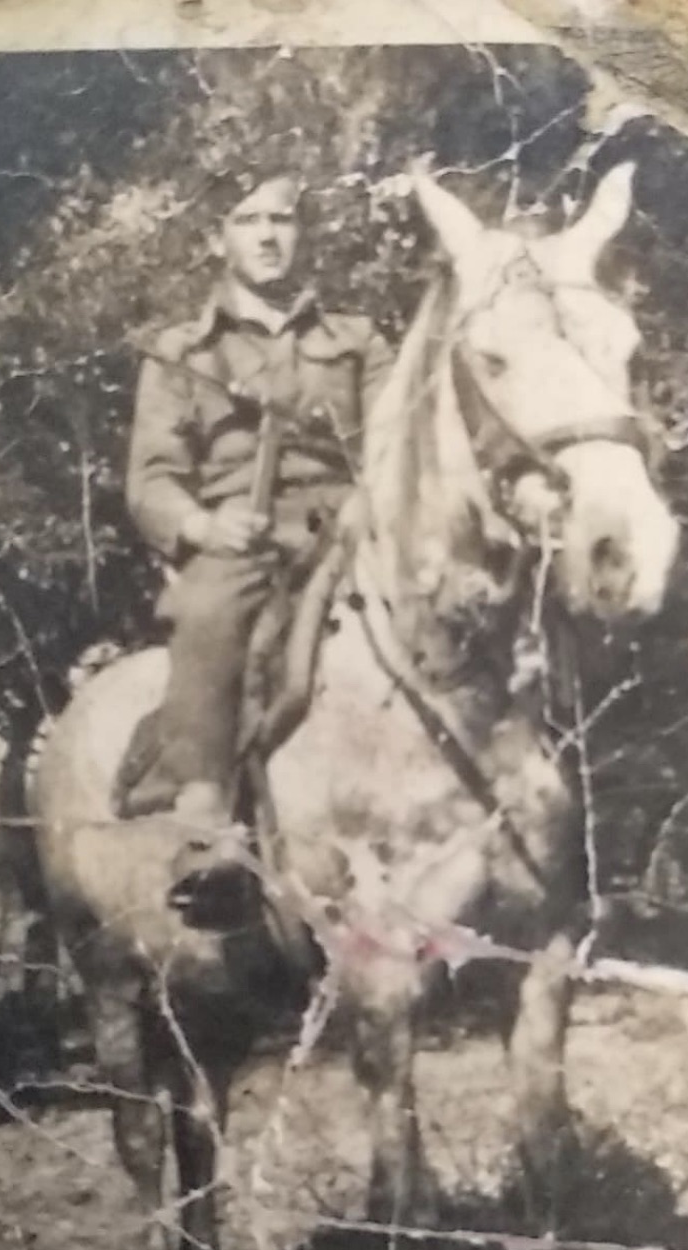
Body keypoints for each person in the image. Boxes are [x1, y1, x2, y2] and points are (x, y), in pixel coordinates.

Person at [123, 171, 393, 893]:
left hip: (351, 526)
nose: (269, 235)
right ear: (220, 238)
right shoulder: (181, 353)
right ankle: (206, 822)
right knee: (207, 612)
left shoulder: (357, 340)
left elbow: (394, 440)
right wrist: (205, 524)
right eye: (248, 220)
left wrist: (375, 499)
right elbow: (151, 480)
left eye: (283, 219)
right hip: (242, 540)